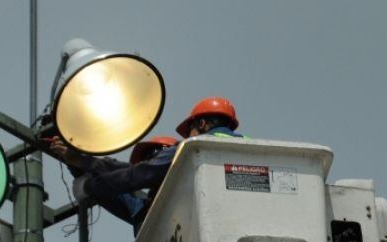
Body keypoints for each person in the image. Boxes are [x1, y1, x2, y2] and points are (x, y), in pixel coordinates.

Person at [49, 96, 245, 229]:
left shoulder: (188, 151)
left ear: (201, 124)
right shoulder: (247, 149)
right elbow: (135, 172)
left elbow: (137, 174)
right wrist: (83, 162)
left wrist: (88, 184)